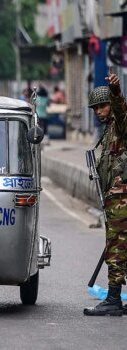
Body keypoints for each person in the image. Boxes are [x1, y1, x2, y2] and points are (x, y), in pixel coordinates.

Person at [83, 70, 127, 316]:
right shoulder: (109, 132)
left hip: (122, 199)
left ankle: (112, 299)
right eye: (95, 108)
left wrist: (116, 92)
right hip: (116, 198)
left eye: (102, 106)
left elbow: (122, 111)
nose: (99, 111)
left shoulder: (121, 125)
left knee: (116, 248)